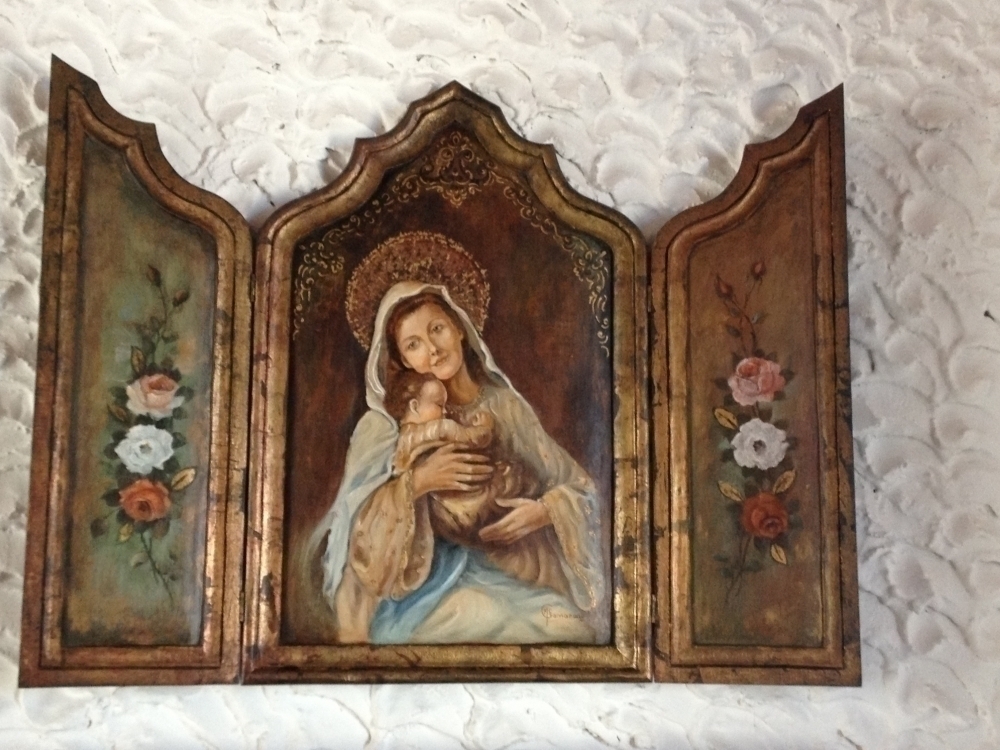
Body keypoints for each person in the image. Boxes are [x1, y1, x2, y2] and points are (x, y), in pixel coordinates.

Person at [315, 280, 607, 644]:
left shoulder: (504, 406)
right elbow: (354, 529)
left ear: (459, 329)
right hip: (424, 583)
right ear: (403, 361)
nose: (432, 349)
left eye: (437, 329)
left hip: (516, 568)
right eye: (413, 344)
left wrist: (544, 511)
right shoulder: (386, 426)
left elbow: (579, 486)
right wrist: (419, 482)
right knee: (483, 615)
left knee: (568, 630)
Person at [384, 369, 540, 552]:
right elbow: (472, 438)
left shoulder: (401, 441)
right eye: (439, 404)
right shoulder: (438, 428)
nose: (445, 411)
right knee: (508, 477)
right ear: (414, 406)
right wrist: (484, 427)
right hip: (464, 501)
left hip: (442, 510)